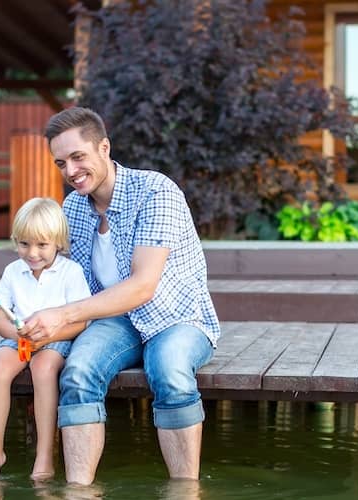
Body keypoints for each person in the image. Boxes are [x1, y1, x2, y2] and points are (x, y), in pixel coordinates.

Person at [22, 107, 221, 485]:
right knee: (78, 372)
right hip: (114, 321)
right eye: (61, 163)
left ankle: (184, 491)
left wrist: (62, 315)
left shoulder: (155, 191)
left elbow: (143, 286)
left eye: (78, 157)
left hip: (176, 316)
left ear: (104, 148)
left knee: (170, 370)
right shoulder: (72, 209)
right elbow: (59, 278)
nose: (70, 171)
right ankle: (79, 492)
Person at [0, 197, 91, 481]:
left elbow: (82, 321)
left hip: (57, 339)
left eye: (42, 245)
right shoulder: (12, 272)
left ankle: (44, 455)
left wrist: (51, 334)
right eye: (25, 244)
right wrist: (16, 334)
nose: (32, 253)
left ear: (58, 243)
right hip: (19, 339)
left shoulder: (70, 272)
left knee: (43, 369)